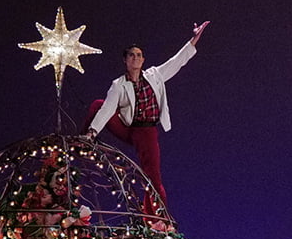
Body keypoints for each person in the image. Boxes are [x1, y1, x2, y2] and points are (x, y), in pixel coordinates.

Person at [86, 20, 209, 206]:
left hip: (146, 131)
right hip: (129, 129)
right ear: (125, 60)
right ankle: (84, 140)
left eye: (139, 55)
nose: (135, 58)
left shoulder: (154, 75)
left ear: (143, 60)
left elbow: (176, 62)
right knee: (98, 104)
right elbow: (107, 109)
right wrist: (92, 132)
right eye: (131, 55)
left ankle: (154, 216)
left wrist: (194, 39)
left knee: (153, 176)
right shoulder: (118, 84)